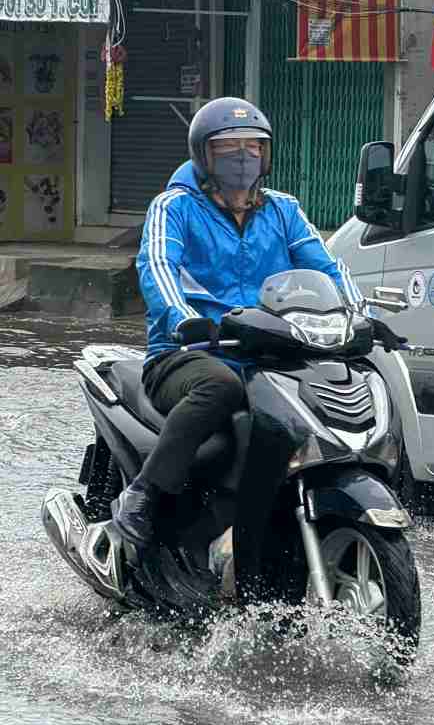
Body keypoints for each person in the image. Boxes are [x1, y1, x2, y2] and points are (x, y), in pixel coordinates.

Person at [112, 97, 399, 579]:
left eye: (253, 147)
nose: (243, 157)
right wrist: (184, 319)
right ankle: (142, 496)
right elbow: (157, 266)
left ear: (266, 156)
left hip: (272, 352)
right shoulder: (175, 206)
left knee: (349, 387)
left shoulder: (284, 210)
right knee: (220, 389)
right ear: (204, 155)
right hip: (191, 351)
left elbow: (327, 266)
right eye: (228, 148)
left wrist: (360, 315)